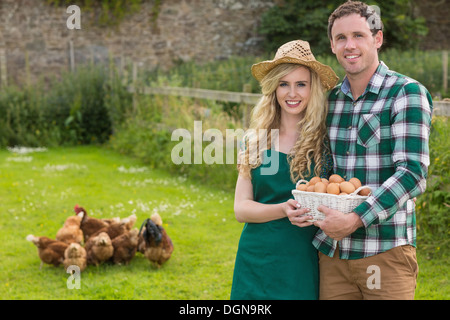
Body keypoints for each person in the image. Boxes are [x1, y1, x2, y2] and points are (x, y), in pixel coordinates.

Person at [311, 1, 433, 300]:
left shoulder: (406, 93)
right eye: (341, 38)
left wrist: (354, 219)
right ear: (332, 45)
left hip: (385, 251)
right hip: (333, 254)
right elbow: (323, 171)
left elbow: (412, 173)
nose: (349, 45)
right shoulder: (331, 101)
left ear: (377, 38)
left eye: (358, 35)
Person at [230, 40, 338, 300]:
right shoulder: (255, 141)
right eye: (284, 84)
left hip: (302, 258)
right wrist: (282, 209)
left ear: (313, 89)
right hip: (255, 257)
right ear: (273, 88)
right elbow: (241, 208)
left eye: (301, 84)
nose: (292, 93)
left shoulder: (325, 141)